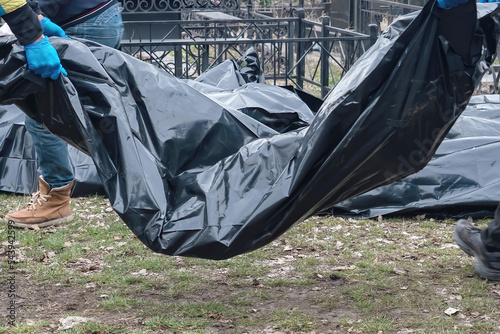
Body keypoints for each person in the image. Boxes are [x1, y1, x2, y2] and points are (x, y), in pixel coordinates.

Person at [2, 0, 123, 229]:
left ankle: (55, 199)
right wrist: (35, 15)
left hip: (78, 19)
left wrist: (32, 26)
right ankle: (147, 181)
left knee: (45, 112)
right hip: (102, 14)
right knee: (109, 110)